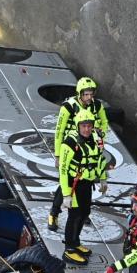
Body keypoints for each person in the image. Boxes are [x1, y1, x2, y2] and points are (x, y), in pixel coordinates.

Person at [48, 77, 109, 231]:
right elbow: (59, 131)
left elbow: (104, 123)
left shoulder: (97, 105)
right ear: (79, 93)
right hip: (71, 147)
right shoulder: (68, 107)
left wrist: (100, 137)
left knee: (87, 180)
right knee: (67, 181)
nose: (89, 97)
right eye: (86, 94)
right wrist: (58, 155)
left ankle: (83, 210)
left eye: (91, 94)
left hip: (89, 145)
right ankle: (54, 212)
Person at [58, 110, 108, 264]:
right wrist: (66, 194)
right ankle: (69, 249)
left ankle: (76, 242)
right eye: (83, 126)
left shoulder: (96, 138)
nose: (87, 129)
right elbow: (63, 170)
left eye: (89, 126)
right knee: (74, 215)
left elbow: (100, 160)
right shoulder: (70, 143)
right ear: (78, 126)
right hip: (74, 184)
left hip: (87, 183)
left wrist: (103, 179)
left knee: (85, 212)